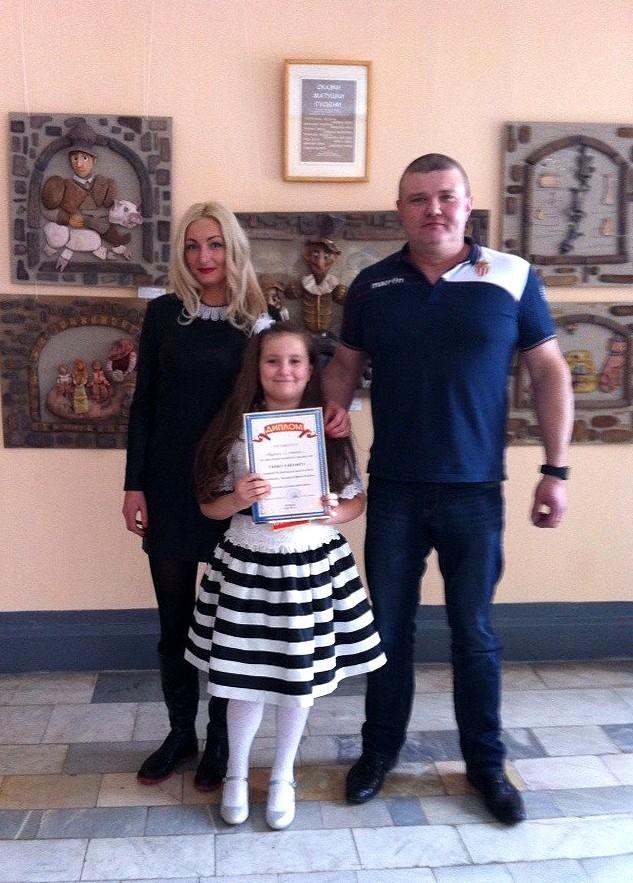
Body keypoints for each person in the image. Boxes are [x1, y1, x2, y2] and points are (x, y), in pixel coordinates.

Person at [322, 154, 574, 825]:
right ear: (399, 210)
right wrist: (328, 425)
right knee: (387, 631)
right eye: (417, 198)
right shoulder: (372, 284)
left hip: (475, 491)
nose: (432, 209)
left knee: (474, 633)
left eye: (445, 196)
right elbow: (343, 366)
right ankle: (378, 752)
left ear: (466, 204)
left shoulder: (512, 276)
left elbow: (549, 372)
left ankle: (486, 765)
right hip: (394, 489)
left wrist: (555, 469)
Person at [123, 203, 348, 791]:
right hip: (170, 486)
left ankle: (222, 742)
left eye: (216, 244)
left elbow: (290, 378)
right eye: (193, 245)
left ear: (234, 249)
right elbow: (143, 403)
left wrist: (329, 412)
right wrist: (133, 483)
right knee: (174, 622)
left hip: (239, 487)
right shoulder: (164, 314)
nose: (204, 257)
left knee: (230, 627)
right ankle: (181, 733)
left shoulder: (259, 318)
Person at [185, 321, 386, 829]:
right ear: (256, 368)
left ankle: (282, 775)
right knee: (243, 681)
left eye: (296, 360)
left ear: (311, 369)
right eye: (272, 360)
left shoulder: (330, 428)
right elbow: (209, 505)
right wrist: (237, 498)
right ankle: (235, 773)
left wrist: (334, 512)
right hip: (249, 566)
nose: (284, 370)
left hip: (310, 565)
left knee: (297, 679)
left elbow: (355, 500)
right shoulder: (234, 428)